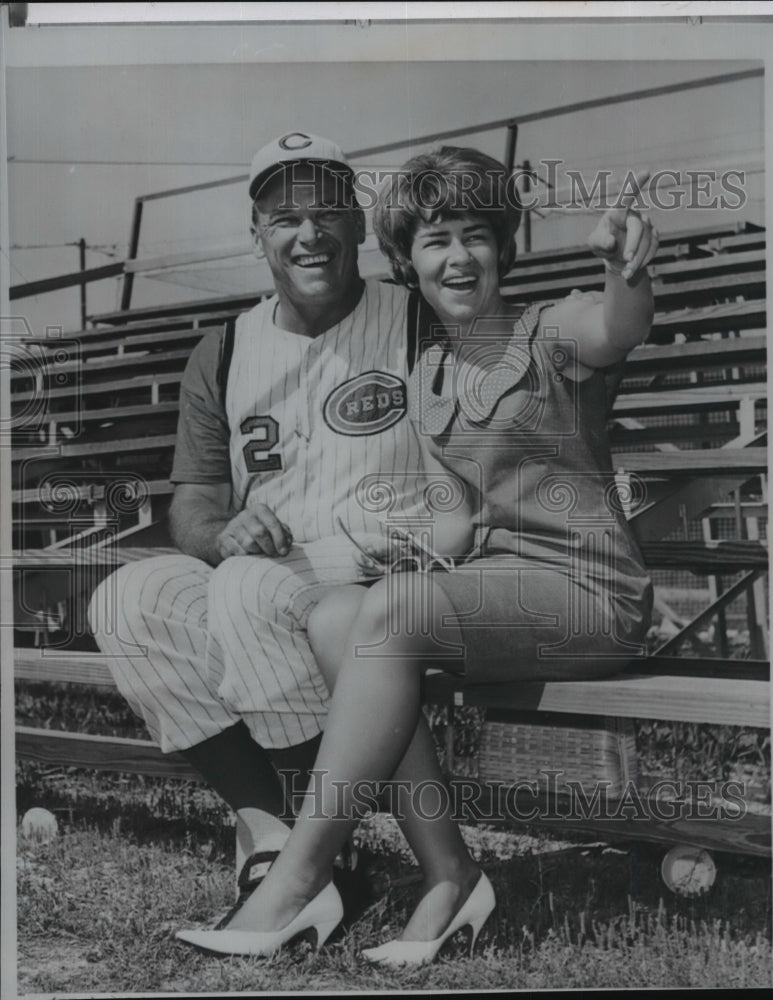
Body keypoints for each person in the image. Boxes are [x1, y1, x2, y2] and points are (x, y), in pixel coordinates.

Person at [175, 146, 657, 963]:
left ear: (503, 248)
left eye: (476, 235)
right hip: (498, 590)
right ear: (407, 259)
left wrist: (624, 269)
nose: (458, 256)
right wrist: (385, 547)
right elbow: (453, 520)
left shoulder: (551, 332)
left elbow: (618, 325)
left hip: (589, 593)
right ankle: (450, 873)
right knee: (339, 616)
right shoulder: (429, 373)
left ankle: (296, 880)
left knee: (386, 613)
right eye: (436, 240)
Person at [87, 131, 469, 923]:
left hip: (389, 576)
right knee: (129, 598)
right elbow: (190, 501)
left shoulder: (420, 318)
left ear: (360, 225)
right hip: (272, 572)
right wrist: (221, 529)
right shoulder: (223, 348)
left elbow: (479, 458)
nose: (310, 234)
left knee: (248, 591)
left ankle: (315, 859)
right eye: (285, 217)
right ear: (256, 234)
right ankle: (270, 831)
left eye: (329, 211)